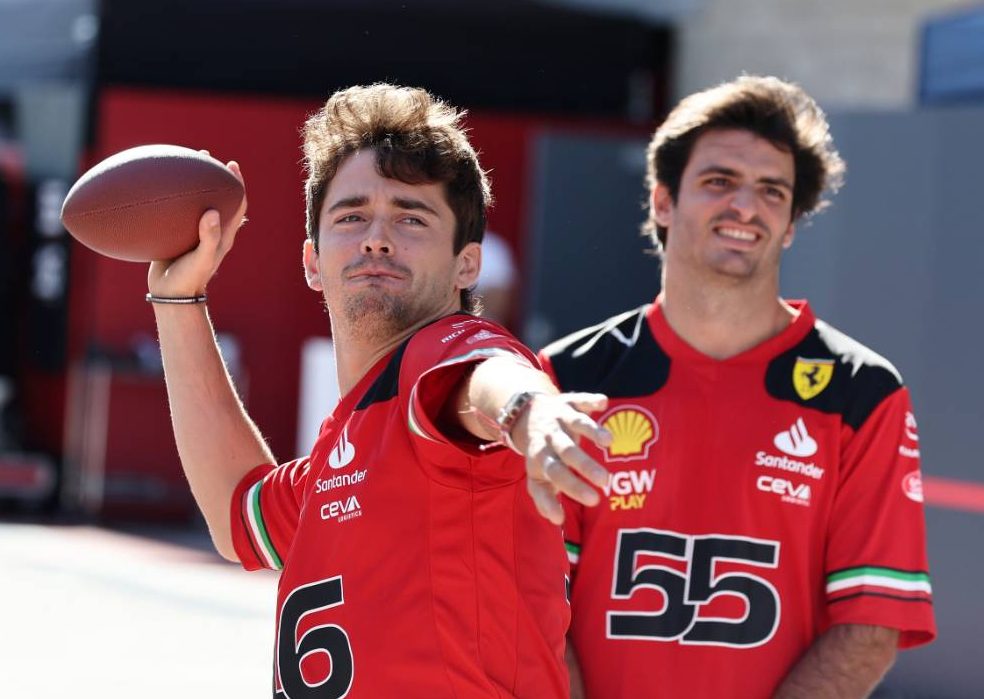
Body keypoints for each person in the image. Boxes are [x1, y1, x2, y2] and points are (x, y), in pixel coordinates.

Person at [146, 84, 611, 697]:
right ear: (312, 261)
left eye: (411, 217)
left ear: (467, 265)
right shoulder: (347, 444)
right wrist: (178, 299)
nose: (376, 237)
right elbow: (239, 510)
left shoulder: (445, 351)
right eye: (351, 216)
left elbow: (484, 377)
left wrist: (530, 410)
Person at [533, 76, 937, 698]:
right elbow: (535, 601)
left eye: (772, 191)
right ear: (663, 201)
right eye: (719, 181)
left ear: (791, 223)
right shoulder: (570, 377)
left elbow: (871, 625)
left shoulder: (862, 393)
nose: (746, 207)